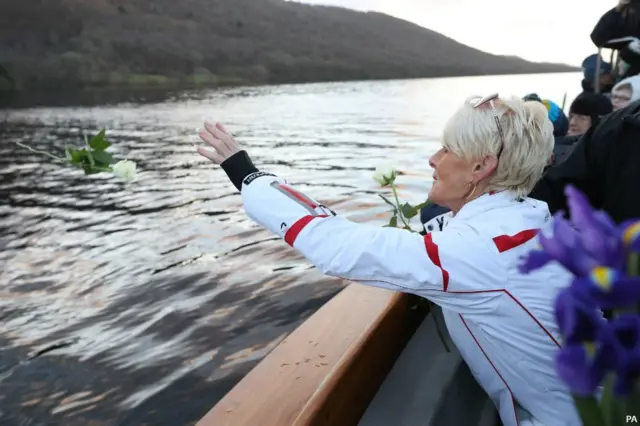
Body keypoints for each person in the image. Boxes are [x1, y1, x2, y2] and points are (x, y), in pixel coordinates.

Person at [195, 95, 582, 426]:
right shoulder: (528, 222)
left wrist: (245, 173)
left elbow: (339, 247)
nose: (433, 159)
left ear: (481, 168)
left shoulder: (479, 253)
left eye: (447, 150)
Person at [529, 98, 640, 224]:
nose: (573, 123)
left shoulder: (624, 124)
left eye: (582, 117)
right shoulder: (620, 126)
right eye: (572, 116)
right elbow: (561, 189)